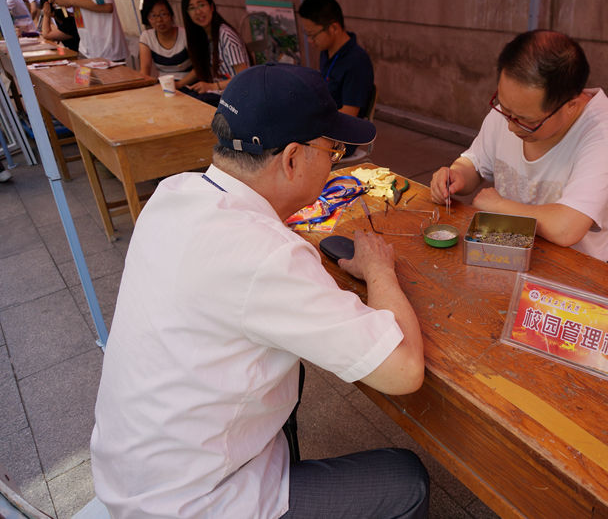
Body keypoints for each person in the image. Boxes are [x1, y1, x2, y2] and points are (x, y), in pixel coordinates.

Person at [89, 63, 429, 518]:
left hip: (134, 476)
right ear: (292, 158)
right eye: (333, 149)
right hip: (191, 504)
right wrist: (379, 270)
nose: (336, 161)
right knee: (406, 479)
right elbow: (404, 371)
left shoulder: (172, 194)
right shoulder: (267, 255)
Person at [430, 30, 608, 262]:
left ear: (571, 107)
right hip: (500, 249)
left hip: (570, 268)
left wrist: (499, 206)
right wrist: (456, 175)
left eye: (528, 121)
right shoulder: (513, 108)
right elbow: (474, 163)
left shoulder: (604, 130)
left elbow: (566, 228)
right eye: (504, 109)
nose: (512, 127)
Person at [298, 0, 374, 118]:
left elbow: (350, 115)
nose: (310, 41)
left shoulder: (357, 62)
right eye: (307, 35)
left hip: (341, 129)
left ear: (334, 28)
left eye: (312, 35)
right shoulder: (326, 51)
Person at [179, 0, 249, 106]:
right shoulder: (203, 36)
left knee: (196, 104)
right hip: (220, 95)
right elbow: (200, 67)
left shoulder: (226, 35)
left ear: (211, 7)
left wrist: (211, 86)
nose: (198, 12)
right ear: (187, 14)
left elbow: (244, 77)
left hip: (237, 98)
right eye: (192, 8)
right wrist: (178, 84)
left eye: (201, 5)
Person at [50, 0, 128, 61]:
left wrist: (70, 0)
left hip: (105, 50)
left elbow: (107, 6)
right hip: (86, 48)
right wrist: (68, 1)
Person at [138, 0, 192, 86]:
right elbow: (145, 70)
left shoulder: (185, 35)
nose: (159, 20)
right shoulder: (146, 37)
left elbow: (199, 69)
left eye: (163, 14)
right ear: (148, 19)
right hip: (164, 85)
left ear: (171, 15)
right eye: (153, 16)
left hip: (189, 83)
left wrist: (179, 85)